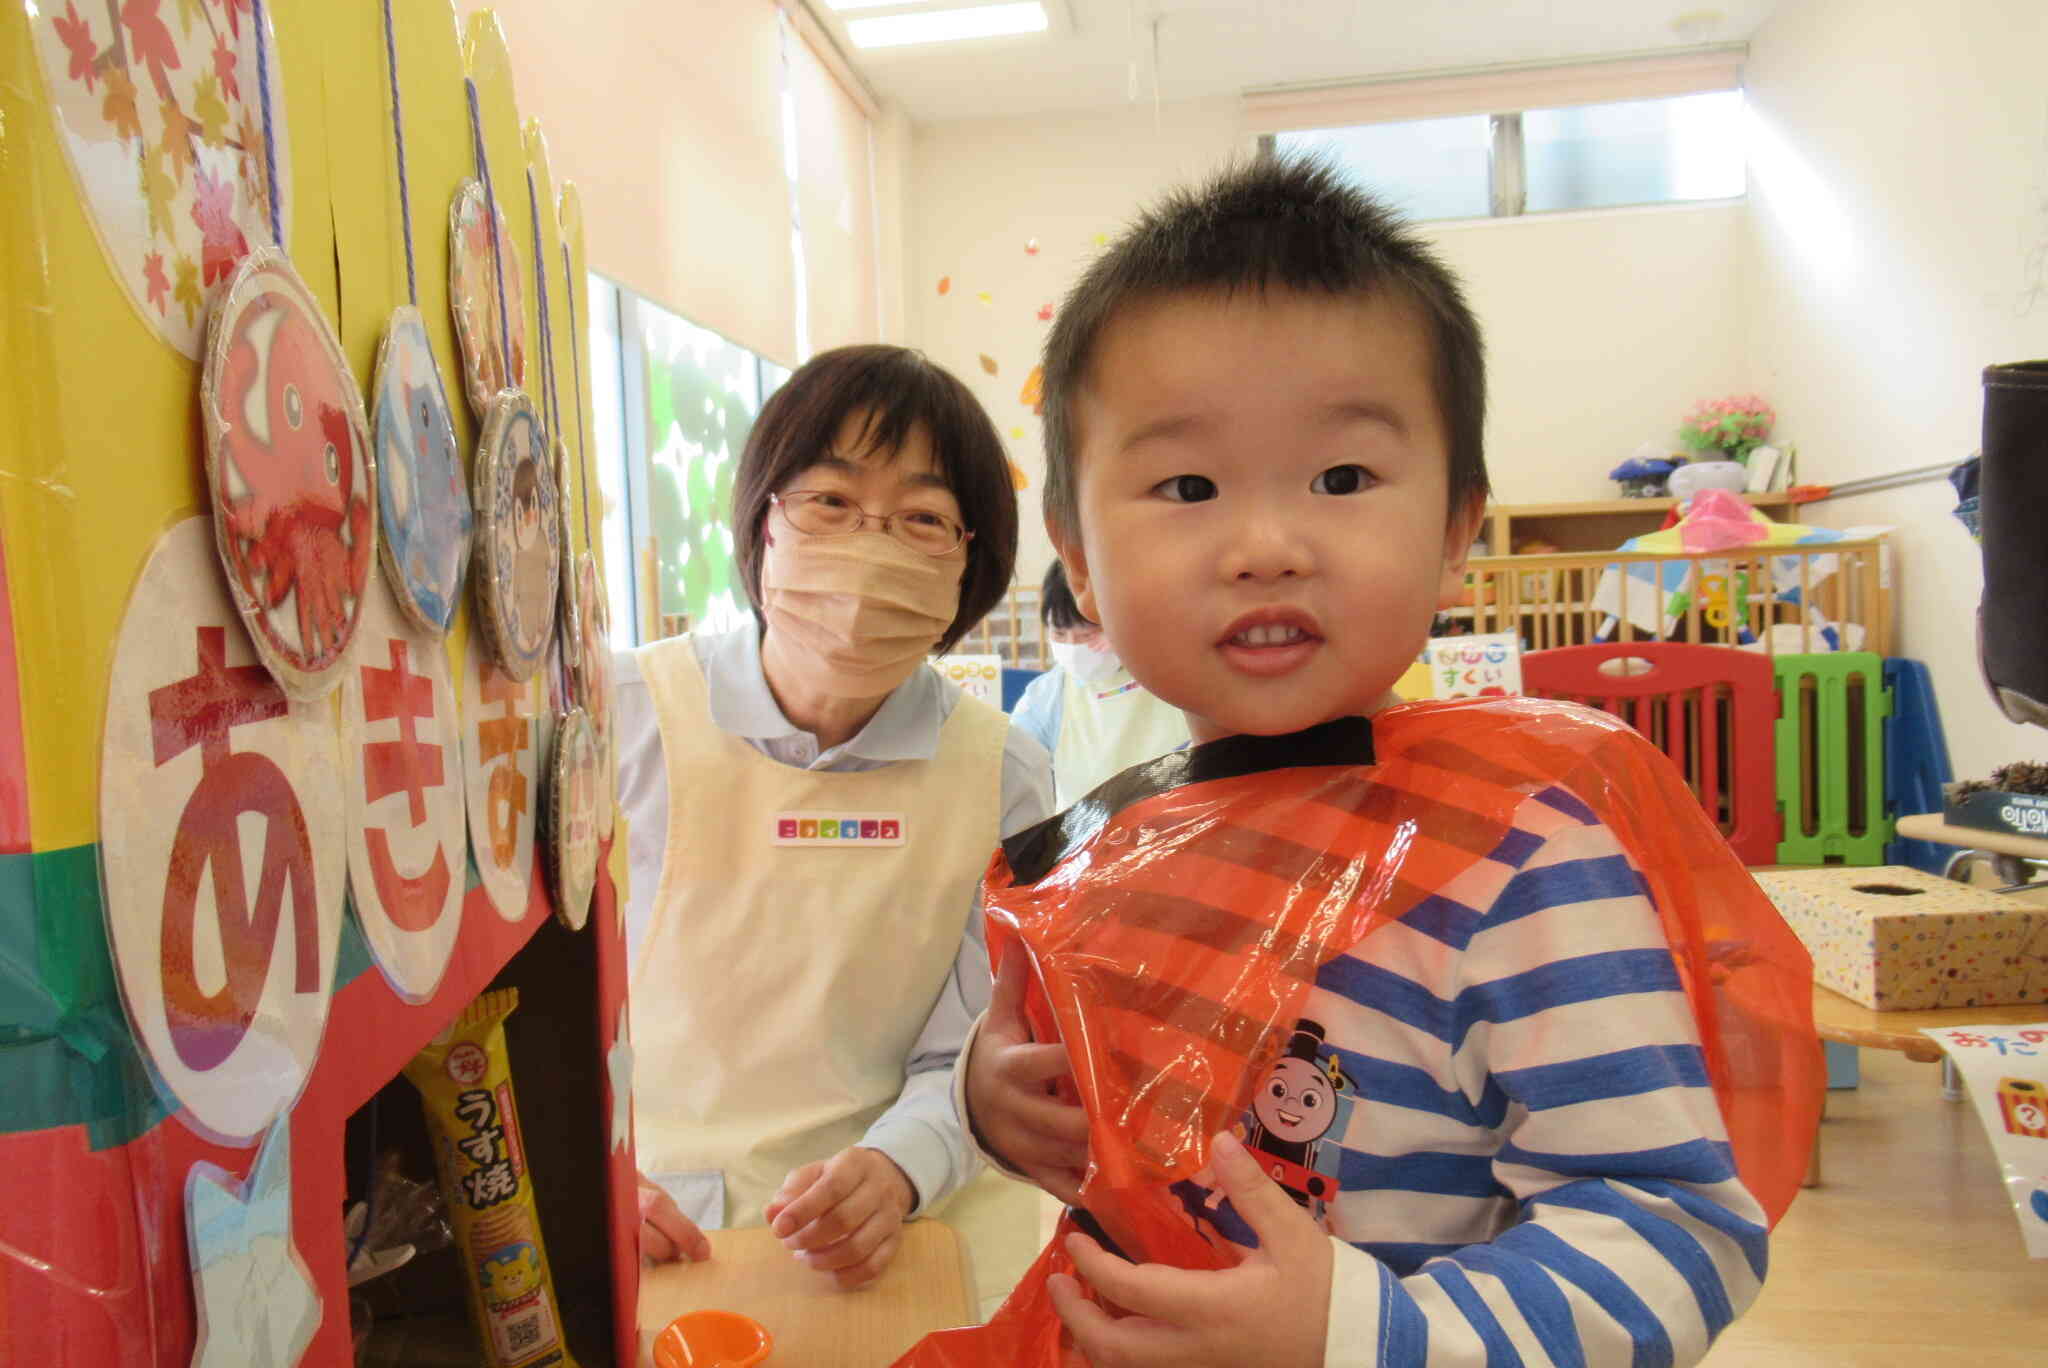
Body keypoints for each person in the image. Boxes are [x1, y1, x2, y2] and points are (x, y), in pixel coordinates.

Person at [955, 157, 1815, 1366]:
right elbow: (1111, 1113)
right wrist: (995, 1104)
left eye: (1342, 477)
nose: (1265, 545)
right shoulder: (1111, 846)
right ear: (1079, 560)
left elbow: (1674, 1228)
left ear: (1458, 527)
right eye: (1186, 485)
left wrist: (1358, 1332)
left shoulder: (1518, 866)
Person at [616, 344, 1053, 1289]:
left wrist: (898, 1169)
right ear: (765, 520)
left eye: (924, 518)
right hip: (645, 1218)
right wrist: (587, 1176)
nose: (871, 547)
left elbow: (983, 1044)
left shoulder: (1003, 772)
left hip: (890, 1235)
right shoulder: (627, 714)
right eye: (831, 502)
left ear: (969, 567)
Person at [1010, 561, 1189, 807]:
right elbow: (1012, 760)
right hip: (1084, 838)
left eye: (1088, 634)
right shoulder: (1048, 694)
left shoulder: (1173, 672)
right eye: (1059, 635)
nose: (1074, 648)